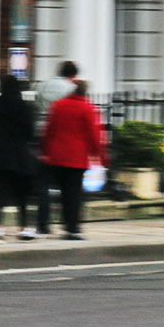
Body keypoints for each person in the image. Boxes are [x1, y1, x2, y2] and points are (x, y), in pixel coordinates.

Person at [36, 78, 106, 240]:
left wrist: (44, 150)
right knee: (73, 195)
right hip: (77, 159)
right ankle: (72, 227)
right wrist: (98, 157)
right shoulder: (88, 108)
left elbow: (48, 130)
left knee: (50, 192)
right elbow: (95, 135)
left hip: (56, 156)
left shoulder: (58, 106)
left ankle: (44, 225)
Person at [0, 73, 39, 240]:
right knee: (22, 193)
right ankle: (24, 227)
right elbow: (30, 132)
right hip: (19, 155)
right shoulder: (24, 107)